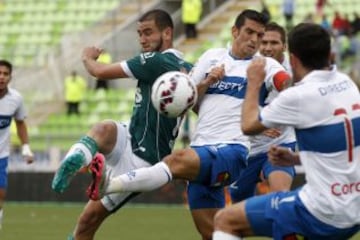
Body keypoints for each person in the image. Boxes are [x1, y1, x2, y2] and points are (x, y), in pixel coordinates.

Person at [86, 10, 292, 240]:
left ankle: (109, 185)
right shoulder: (211, 57)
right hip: (202, 148)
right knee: (216, 233)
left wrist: (291, 93)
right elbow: (188, 102)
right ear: (235, 31)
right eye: (249, 32)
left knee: (175, 161)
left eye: (259, 35)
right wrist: (207, 82)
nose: (254, 40)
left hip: (231, 150)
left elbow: (284, 82)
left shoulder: (264, 65)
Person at [51, 9, 192, 239]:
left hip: (142, 161)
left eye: (148, 33)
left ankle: (77, 159)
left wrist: (87, 57)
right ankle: (74, 162)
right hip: (130, 135)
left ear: (167, 33)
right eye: (139, 34)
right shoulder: (185, 66)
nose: (143, 40)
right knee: (104, 128)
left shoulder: (155, 60)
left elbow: (99, 71)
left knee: (88, 221)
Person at [212, 23, 360, 240]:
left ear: (292, 59)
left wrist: (253, 81)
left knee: (225, 220)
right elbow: (344, 145)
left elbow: (248, 125)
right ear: (330, 54)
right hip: (354, 210)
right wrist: (297, 157)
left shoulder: (299, 95)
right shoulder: (347, 84)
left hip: (322, 212)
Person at [229, 22, 296, 203]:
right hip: (249, 148)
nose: (267, 48)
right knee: (238, 206)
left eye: (274, 43)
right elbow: (232, 107)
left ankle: (286, 228)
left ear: (284, 46)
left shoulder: (294, 70)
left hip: (280, 144)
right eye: (263, 42)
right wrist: (259, 125)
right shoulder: (248, 66)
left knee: (279, 197)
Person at [0, 59, 34, 229]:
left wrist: (26, 148)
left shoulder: (16, 99)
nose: (1, 77)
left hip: (1, 156)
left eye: (5, 74)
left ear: (10, 77)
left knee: (0, 195)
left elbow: (20, 123)